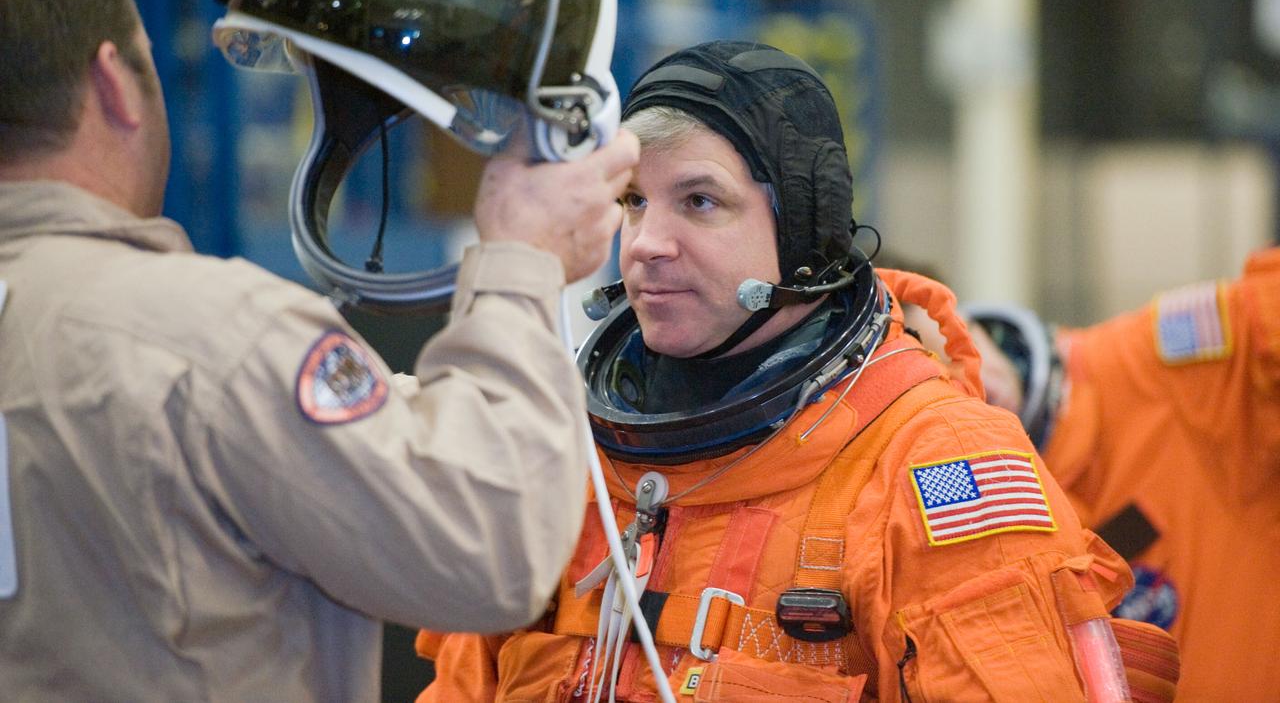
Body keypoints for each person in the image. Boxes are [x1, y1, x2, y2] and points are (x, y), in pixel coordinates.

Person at [0, 0, 637, 703]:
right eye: (147, 60)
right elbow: (486, 549)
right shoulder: (211, 340)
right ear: (111, 82)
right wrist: (523, 262)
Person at [416, 41, 1177, 701]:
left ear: (804, 230)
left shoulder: (935, 461)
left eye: (700, 201)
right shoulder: (567, 455)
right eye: (635, 201)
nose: (647, 242)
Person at [960, 251, 1280, 701]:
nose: (955, 374)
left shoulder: (1165, 368)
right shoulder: (953, 524)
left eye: (931, 337)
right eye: (922, 368)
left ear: (952, 310)